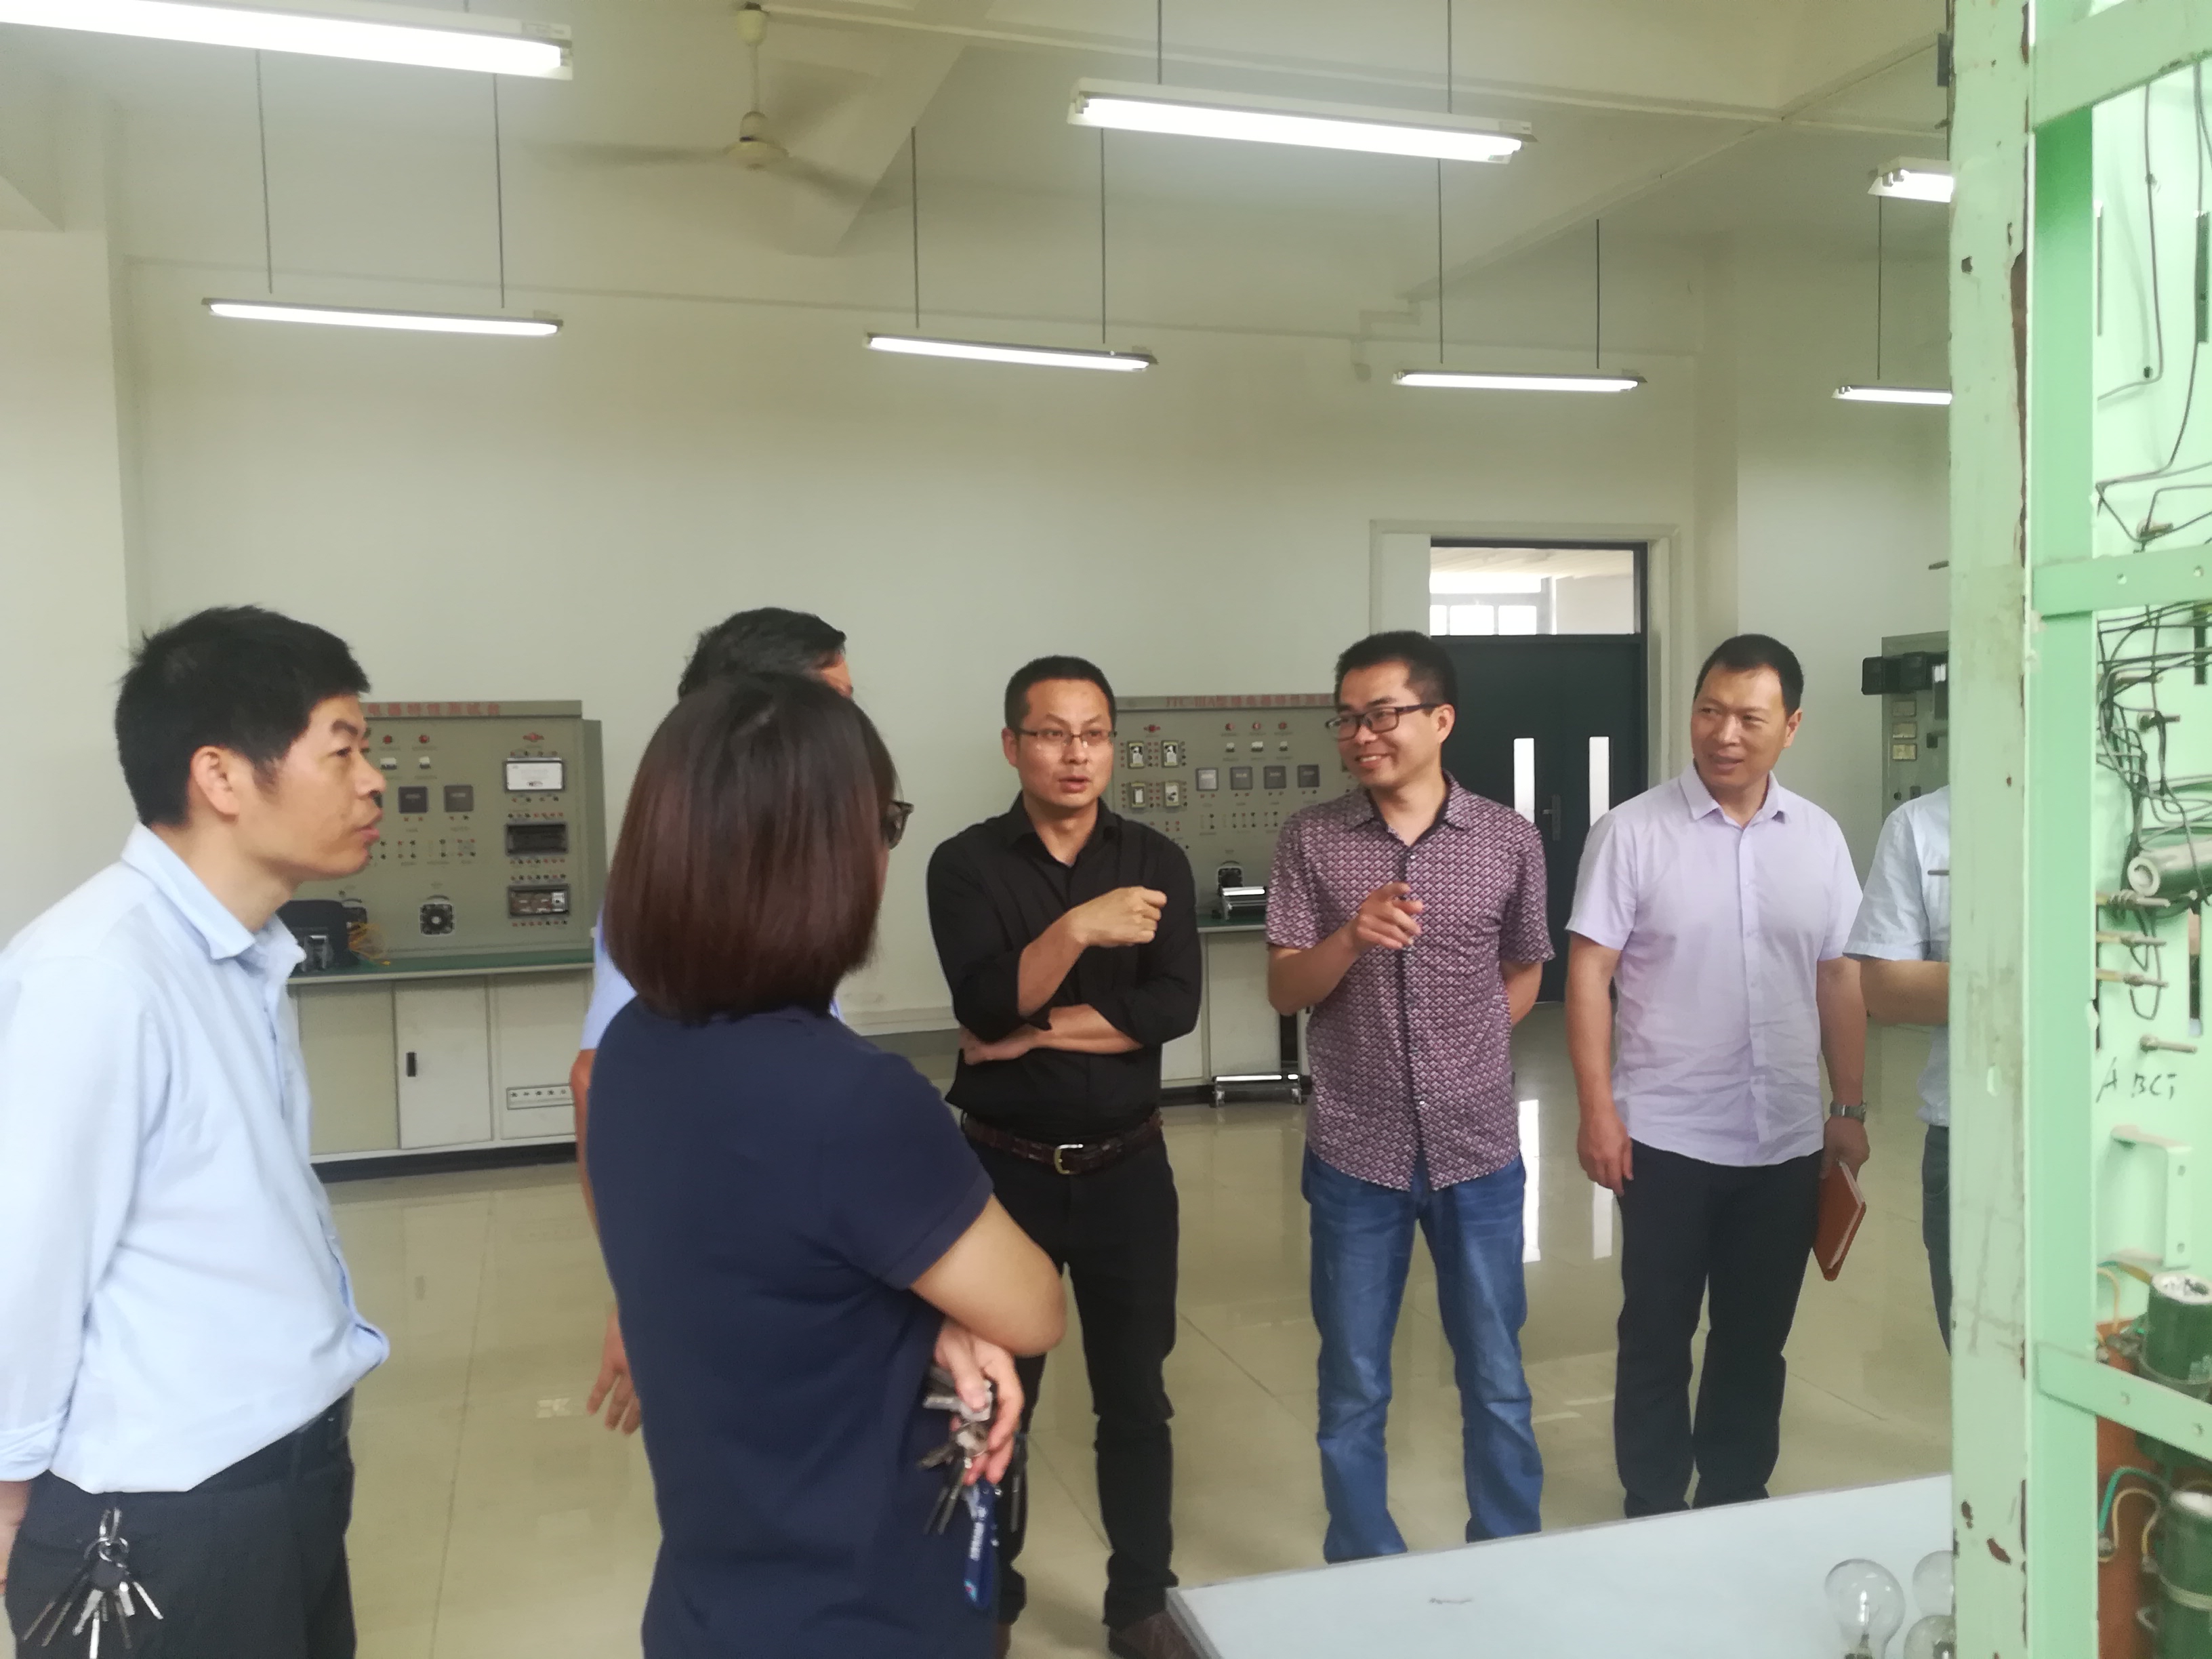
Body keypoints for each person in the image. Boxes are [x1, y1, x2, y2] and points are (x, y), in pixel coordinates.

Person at [588, 673, 1065, 1659]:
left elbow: (779, 1269)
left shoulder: (633, 1049)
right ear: (826, 858)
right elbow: (1032, 1308)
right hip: (863, 1611)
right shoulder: (854, 1098)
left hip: (708, 1602)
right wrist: (956, 1313)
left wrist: (933, 1315)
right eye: (883, 824)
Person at [0, 606, 392, 1654]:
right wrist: (7, 1490)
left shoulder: (240, 953)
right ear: (220, 776)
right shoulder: (98, 971)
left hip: (283, 1472)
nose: (373, 783)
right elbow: (28, 1256)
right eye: (343, 749)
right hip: (163, 1510)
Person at [926, 656, 1201, 1659]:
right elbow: (984, 1004)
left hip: (1130, 1172)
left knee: (1137, 1397)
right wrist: (1081, 928)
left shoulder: (1158, 857)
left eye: (1093, 734)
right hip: (1006, 1179)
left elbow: (1171, 1008)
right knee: (997, 1398)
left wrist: (1033, 1033)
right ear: (1013, 745)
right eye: (1051, 733)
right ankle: (988, 1603)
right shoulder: (964, 864)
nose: (1075, 754)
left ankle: (1141, 1604)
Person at [1565, 633, 1868, 1519]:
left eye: (1749, 718)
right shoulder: (1631, 832)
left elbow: (1838, 976)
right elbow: (1588, 974)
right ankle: (1654, 1502)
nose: (1725, 734)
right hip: (1665, 1139)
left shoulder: (1818, 838)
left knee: (1755, 1337)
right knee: (1656, 1334)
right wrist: (1597, 1110)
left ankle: (1736, 1496)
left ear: (1791, 726)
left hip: (1783, 1140)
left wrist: (1848, 1105)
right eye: (1709, 711)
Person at [1265, 630, 1552, 1561]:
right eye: (1347, 719)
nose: (1361, 735)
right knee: (1353, 1384)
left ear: (1441, 719)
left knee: (1497, 1374)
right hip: (1357, 1152)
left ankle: (1508, 1549)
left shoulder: (1508, 838)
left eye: (1382, 714)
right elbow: (1285, 989)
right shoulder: (1311, 839)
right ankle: (1362, 1559)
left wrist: (1470, 1047)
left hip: (1480, 1151)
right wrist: (1349, 938)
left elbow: (1526, 969)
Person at [571, 607, 854, 1436]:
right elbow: (595, 1082)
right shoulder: (688, 883)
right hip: (743, 1267)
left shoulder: (776, 864)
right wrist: (638, 1294)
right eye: (835, 704)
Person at [1845, 784, 1950, 1345]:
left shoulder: (2168, 808)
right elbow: (1887, 990)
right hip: (1971, 1131)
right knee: (1981, 1354)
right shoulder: (1922, 825)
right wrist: (2064, 967)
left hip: (2146, 1119)